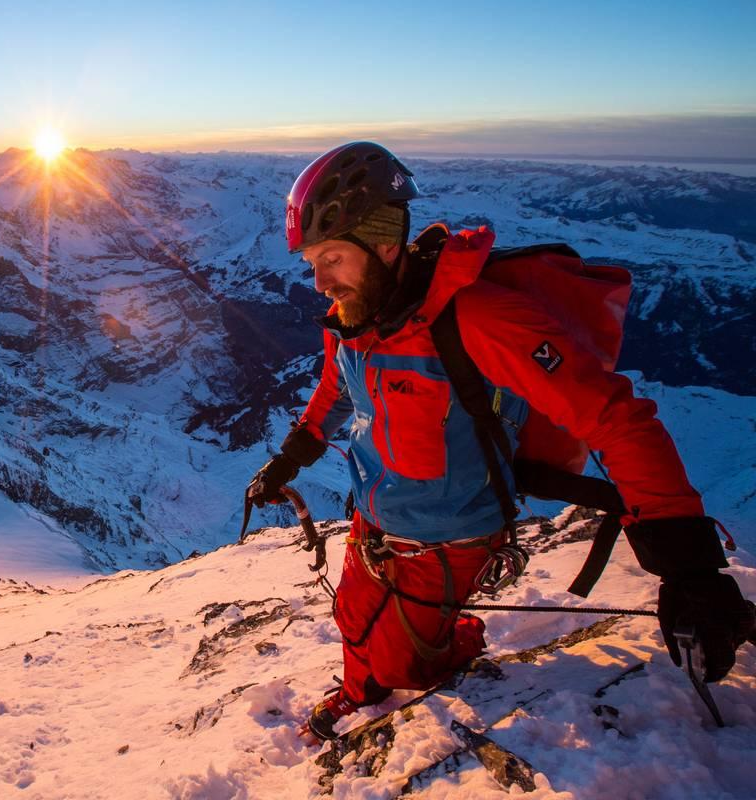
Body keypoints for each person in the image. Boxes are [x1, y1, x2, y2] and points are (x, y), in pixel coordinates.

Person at [246, 141, 755, 743]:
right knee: (354, 615)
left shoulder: (481, 319)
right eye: (311, 261)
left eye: (330, 258)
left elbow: (616, 418)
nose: (319, 280)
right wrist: (291, 458)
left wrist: (690, 568)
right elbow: (336, 391)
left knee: (399, 655)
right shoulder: (358, 317)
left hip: (450, 533)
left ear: (383, 244)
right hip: (379, 516)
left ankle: (430, 658)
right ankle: (365, 690)